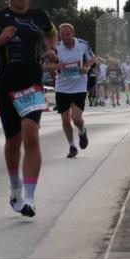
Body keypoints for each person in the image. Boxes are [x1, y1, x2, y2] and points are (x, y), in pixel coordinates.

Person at [0, 0, 57, 218]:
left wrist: (51, 49)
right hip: (5, 84)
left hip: (31, 84)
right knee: (14, 140)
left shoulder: (39, 16)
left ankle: (30, 198)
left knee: (31, 135)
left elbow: (50, 32)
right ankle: (15, 185)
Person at [49, 23, 96, 158]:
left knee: (76, 119)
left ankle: (82, 130)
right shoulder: (56, 48)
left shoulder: (82, 44)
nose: (65, 37)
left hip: (79, 86)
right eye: (62, 34)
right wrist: (56, 66)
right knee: (65, 120)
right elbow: (47, 65)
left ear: (73, 33)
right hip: (62, 87)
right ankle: (72, 146)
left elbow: (93, 58)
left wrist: (86, 67)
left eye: (67, 34)